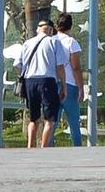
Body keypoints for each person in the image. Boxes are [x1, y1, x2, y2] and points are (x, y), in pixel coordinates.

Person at [17, 18, 63, 149]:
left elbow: (18, 64)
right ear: (50, 29)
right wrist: (63, 85)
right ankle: (43, 147)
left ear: (38, 28)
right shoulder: (54, 42)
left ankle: (30, 146)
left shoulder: (27, 43)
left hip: (30, 81)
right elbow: (60, 66)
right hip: (47, 80)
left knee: (34, 119)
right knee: (49, 119)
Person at [55, 11, 84, 147]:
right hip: (70, 83)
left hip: (53, 83)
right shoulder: (71, 42)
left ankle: (47, 147)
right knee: (73, 121)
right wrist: (81, 88)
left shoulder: (51, 41)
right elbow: (76, 67)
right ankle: (77, 147)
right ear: (70, 26)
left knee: (52, 121)